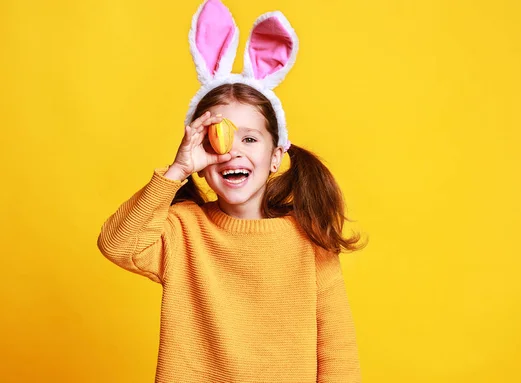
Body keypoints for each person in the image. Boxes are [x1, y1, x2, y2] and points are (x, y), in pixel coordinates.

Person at [97, 0, 366, 381]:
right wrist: (176, 172)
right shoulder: (181, 230)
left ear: (276, 155)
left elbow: (338, 351)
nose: (232, 150)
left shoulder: (309, 239)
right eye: (216, 139)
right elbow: (116, 244)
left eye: (251, 138)